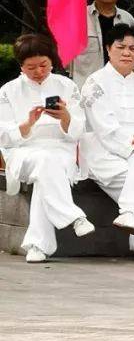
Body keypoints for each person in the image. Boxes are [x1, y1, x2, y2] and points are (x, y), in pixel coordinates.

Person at [0, 34, 94, 262]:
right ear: (21, 66)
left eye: (43, 65)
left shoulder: (67, 86)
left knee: (46, 172)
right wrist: (27, 124)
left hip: (61, 150)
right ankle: (73, 216)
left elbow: (79, 130)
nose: (38, 71)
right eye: (31, 67)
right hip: (23, 151)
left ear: (52, 60)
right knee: (44, 160)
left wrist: (65, 117)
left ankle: (37, 246)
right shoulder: (8, 91)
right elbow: (4, 136)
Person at [80, 25, 134, 261]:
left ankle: (129, 213)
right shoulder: (95, 83)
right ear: (108, 49)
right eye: (121, 47)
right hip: (103, 153)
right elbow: (104, 127)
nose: (127, 53)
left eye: (133, 48)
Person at [71, 0, 134, 88]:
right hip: (86, 87)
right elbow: (66, 56)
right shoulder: (78, 17)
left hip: (120, 87)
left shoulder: (128, 20)